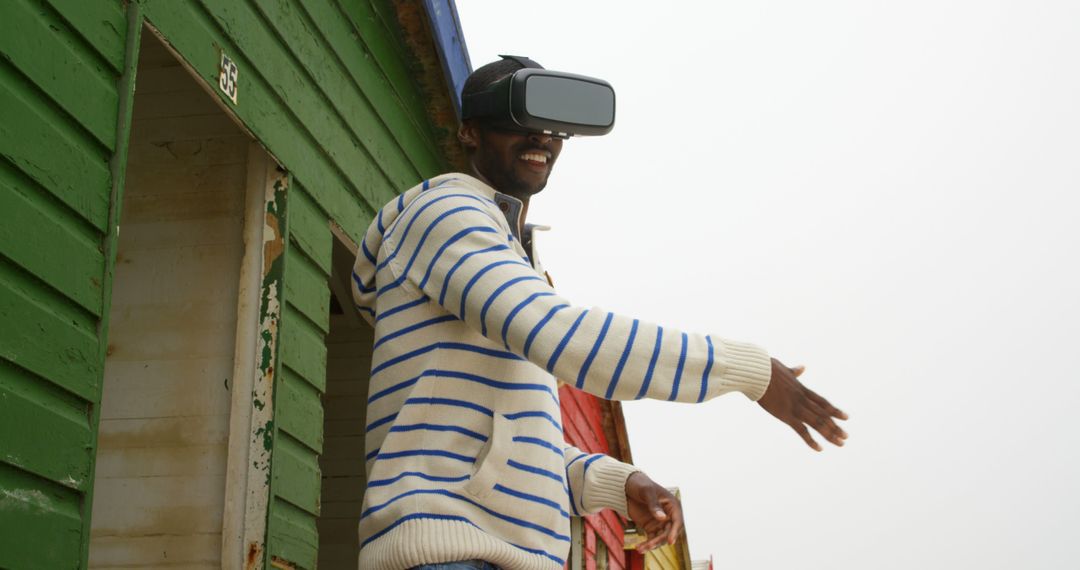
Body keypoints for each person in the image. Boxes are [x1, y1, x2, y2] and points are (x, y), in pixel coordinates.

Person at [351, 57, 848, 570]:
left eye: (554, 127)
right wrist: (751, 370)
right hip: (449, 553)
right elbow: (569, 339)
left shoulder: (509, 255)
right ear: (470, 132)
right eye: (520, 121)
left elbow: (512, 442)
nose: (541, 138)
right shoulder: (446, 215)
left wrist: (616, 481)